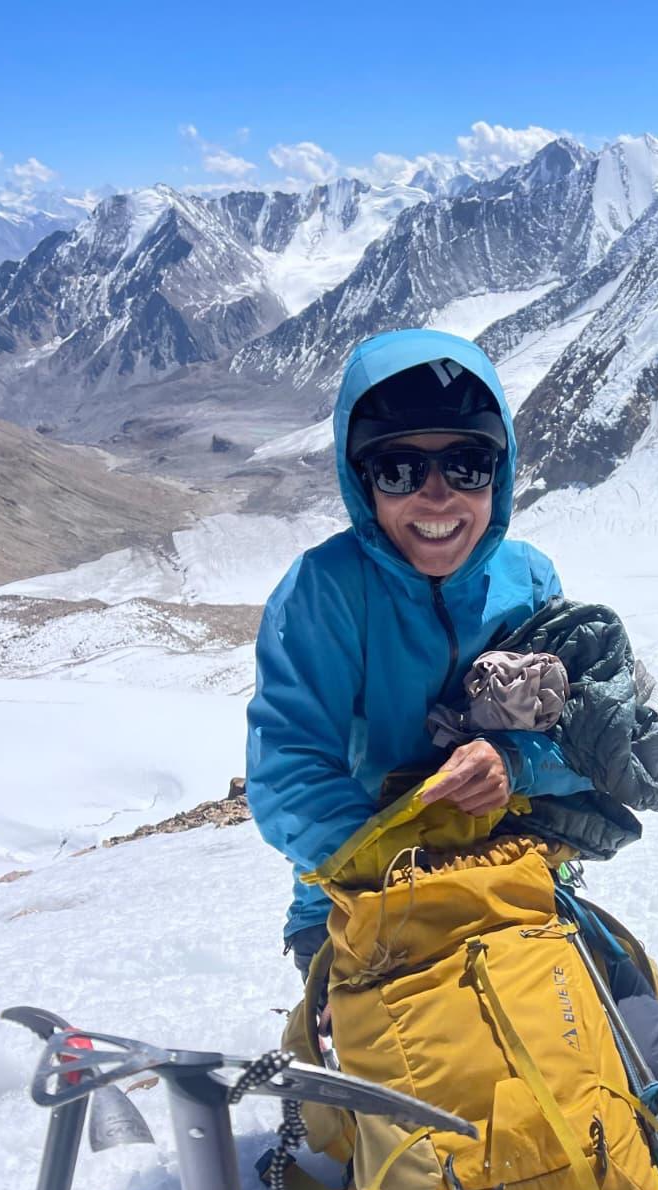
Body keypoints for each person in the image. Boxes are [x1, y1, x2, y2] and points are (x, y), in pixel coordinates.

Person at [246, 329, 592, 979]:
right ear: (363, 481)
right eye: (399, 469)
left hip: (511, 879)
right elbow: (288, 774)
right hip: (353, 898)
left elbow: (577, 737)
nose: (437, 495)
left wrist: (513, 763)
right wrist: (401, 863)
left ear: (500, 472)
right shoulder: (322, 596)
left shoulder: (532, 583)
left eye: (466, 465)